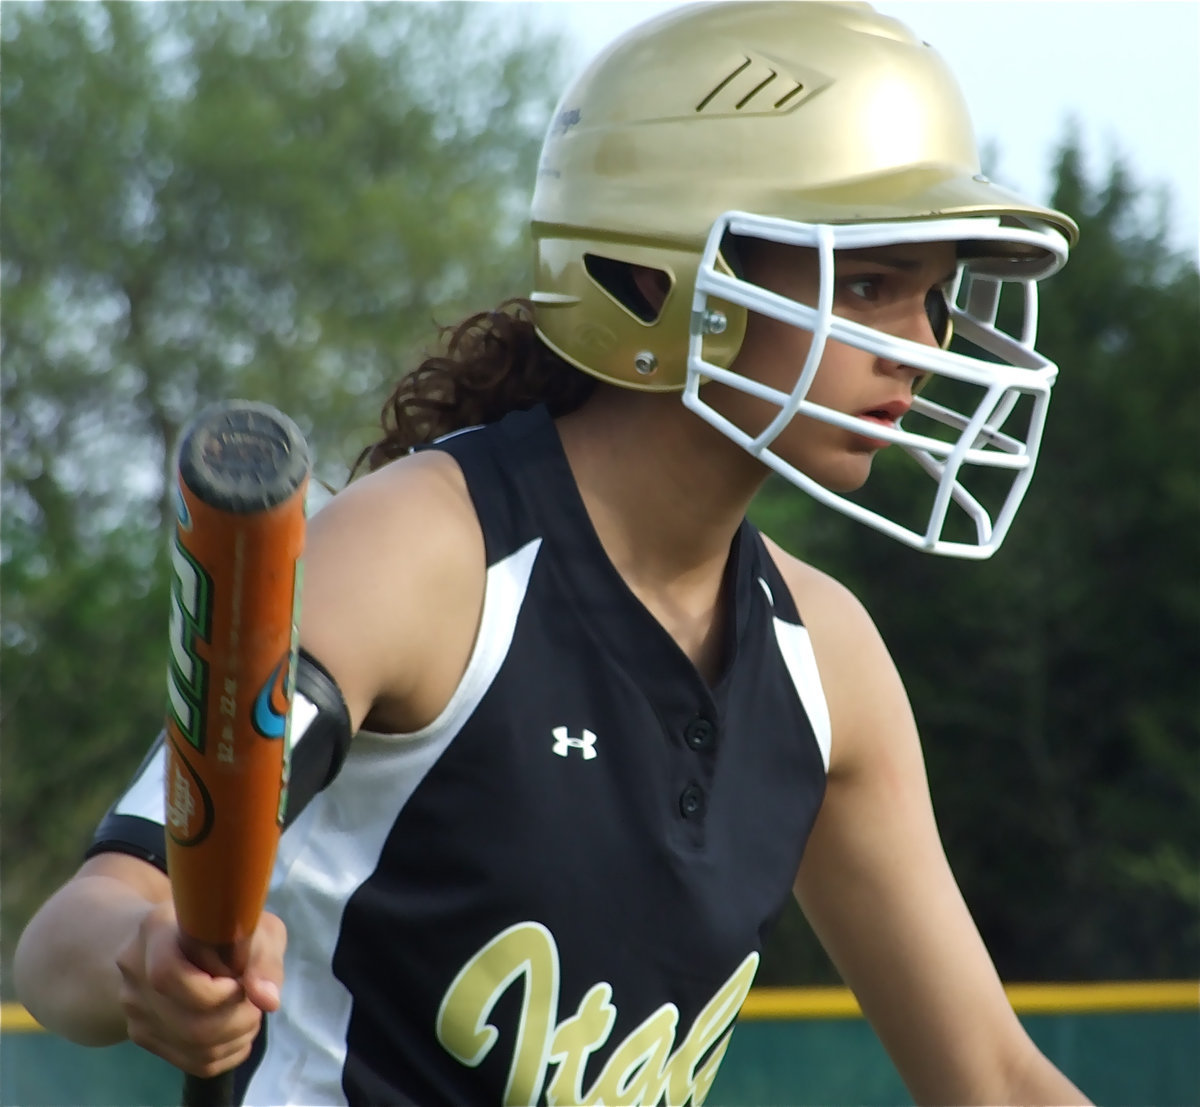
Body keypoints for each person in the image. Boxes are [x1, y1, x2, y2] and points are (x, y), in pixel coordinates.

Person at [15, 3, 1091, 1104]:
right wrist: (150, 958)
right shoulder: (425, 553)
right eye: (868, 283)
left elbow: (993, 1079)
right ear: (661, 272)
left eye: (934, 295)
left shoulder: (829, 660)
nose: (920, 346)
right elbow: (71, 936)